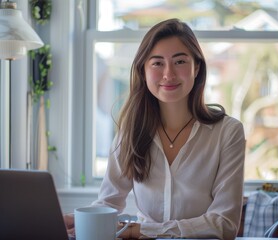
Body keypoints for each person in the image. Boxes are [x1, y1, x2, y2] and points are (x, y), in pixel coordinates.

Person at [64, 18, 246, 239]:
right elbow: (109, 201)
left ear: (196, 67)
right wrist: (80, 220)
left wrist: (143, 230)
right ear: (143, 70)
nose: (168, 74)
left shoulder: (228, 132)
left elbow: (225, 224)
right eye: (157, 63)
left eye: (179, 62)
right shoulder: (131, 131)